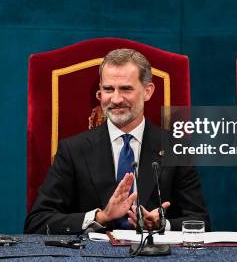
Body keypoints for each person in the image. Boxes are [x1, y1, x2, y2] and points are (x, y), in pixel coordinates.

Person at [24, 48, 209, 234]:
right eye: (108, 89)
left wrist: (162, 224)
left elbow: (200, 222)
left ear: (147, 91)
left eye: (126, 89)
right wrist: (100, 217)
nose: (116, 99)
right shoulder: (73, 150)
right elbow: (37, 222)